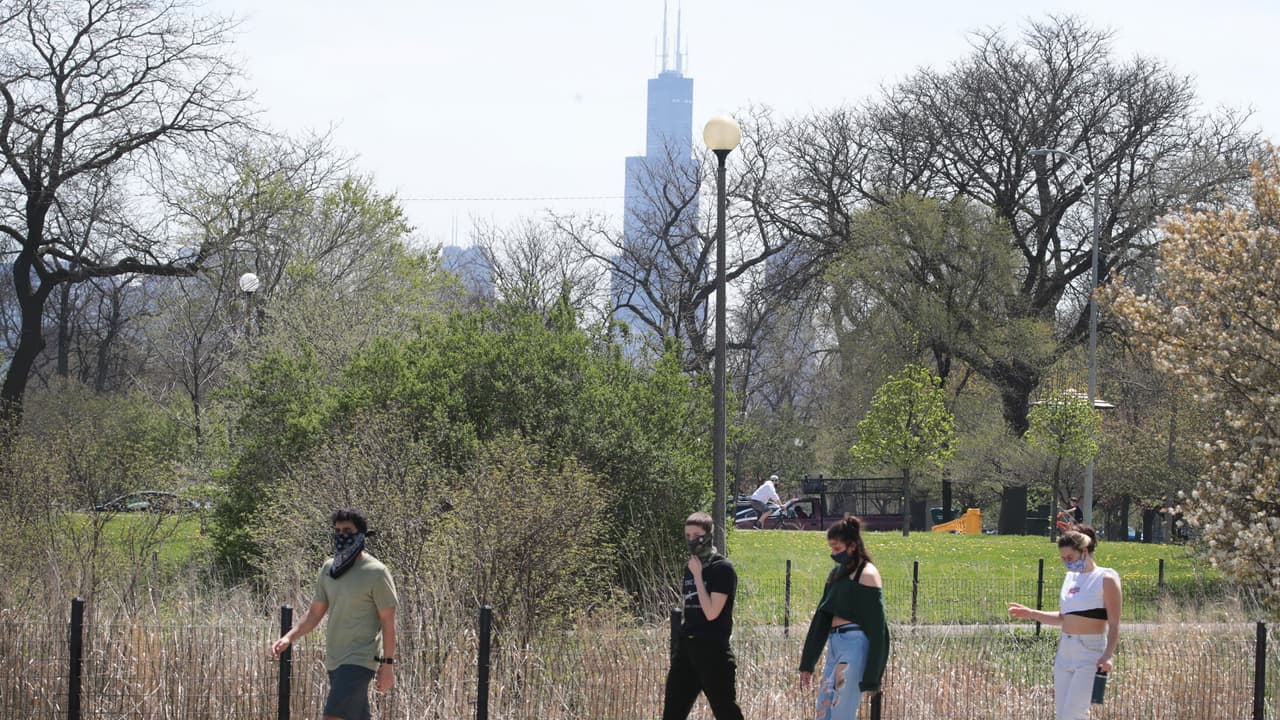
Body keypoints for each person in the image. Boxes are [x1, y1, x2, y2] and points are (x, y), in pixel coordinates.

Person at [271, 509, 399, 720]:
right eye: (337, 531)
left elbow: (388, 622)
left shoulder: (377, 572)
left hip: (361, 659)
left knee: (333, 716)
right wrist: (289, 637)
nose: (341, 535)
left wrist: (388, 666)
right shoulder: (329, 569)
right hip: (335, 659)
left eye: (347, 530)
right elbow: (314, 614)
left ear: (362, 534)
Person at [1008, 526, 1122, 720]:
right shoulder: (1070, 579)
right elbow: (1063, 618)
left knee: (1073, 715)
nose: (1067, 563)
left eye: (1070, 558)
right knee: (1062, 715)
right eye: (1063, 559)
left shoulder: (1106, 579)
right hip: (1065, 651)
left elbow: (1114, 624)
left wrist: (1108, 656)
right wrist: (1031, 613)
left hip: (1090, 653)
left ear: (1084, 552)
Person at [798, 515, 890, 720]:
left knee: (842, 713)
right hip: (835, 644)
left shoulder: (867, 574)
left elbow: (878, 628)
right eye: (831, 548)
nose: (833, 554)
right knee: (823, 711)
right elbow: (821, 618)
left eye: (837, 549)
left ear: (853, 545)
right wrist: (808, 662)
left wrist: (873, 676)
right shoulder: (836, 574)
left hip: (854, 645)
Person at [661, 512, 745, 720]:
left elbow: (711, 613)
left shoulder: (722, 568)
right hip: (687, 649)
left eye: (696, 535)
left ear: (708, 535)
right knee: (672, 713)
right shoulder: (689, 568)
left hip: (713, 650)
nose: (691, 540)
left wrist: (698, 576)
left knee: (726, 712)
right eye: (687, 535)